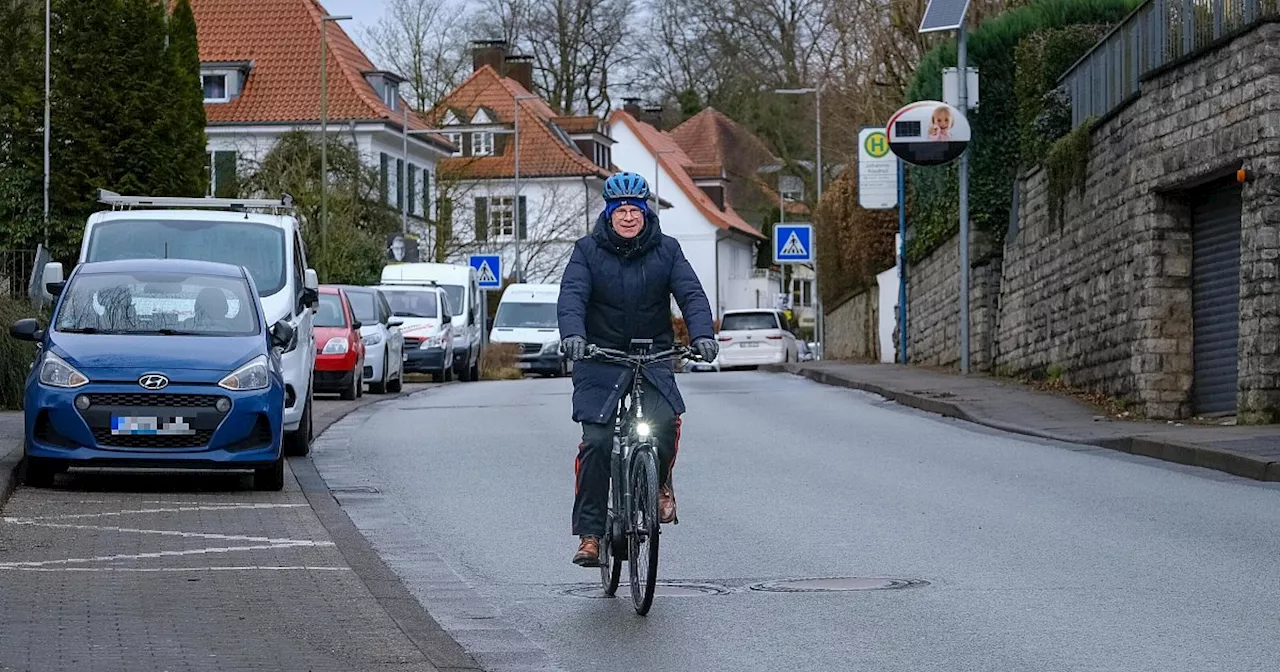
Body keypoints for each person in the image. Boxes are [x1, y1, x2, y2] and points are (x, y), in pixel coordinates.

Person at [557, 171, 720, 567]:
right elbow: (572, 296)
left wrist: (702, 335)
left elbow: (691, 294)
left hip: (653, 356)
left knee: (664, 422)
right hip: (600, 356)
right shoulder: (586, 251)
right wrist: (573, 336)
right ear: (609, 215)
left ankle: (660, 481)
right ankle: (591, 535)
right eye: (621, 210)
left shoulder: (667, 250)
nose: (629, 217)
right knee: (596, 442)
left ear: (646, 214)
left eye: (635, 210)